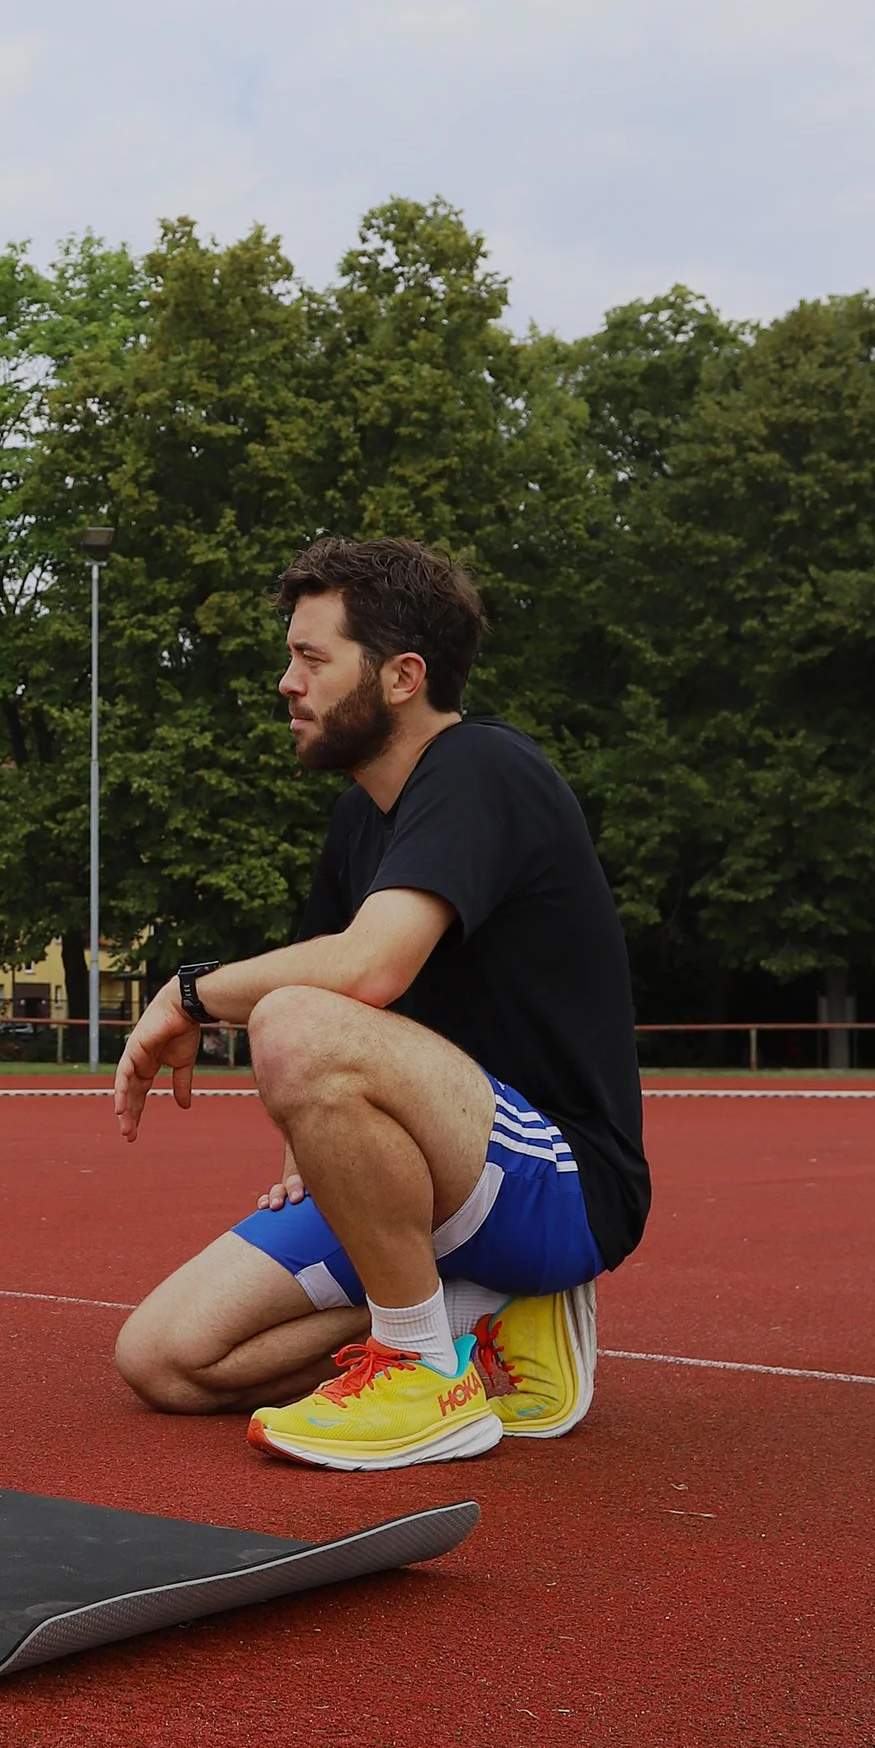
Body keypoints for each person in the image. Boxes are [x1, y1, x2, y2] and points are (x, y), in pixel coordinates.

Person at [111, 536, 648, 1470]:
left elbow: (366, 974)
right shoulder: (361, 816)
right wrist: (308, 1144)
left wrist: (188, 994)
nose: (287, 682)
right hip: (434, 1168)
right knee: (165, 1359)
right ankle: (471, 1322)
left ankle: (419, 1368)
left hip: (558, 1179)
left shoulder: (481, 768)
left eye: (312, 658)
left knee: (285, 1013)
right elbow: (339, 1006)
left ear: (403, 676)